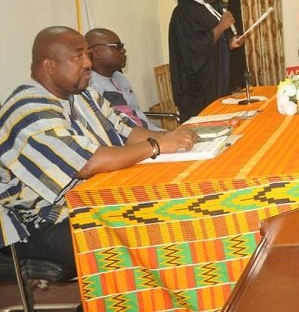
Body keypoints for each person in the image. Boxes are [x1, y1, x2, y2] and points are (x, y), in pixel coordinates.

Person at [0, 27, 197, 276]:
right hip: (40, 222)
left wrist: (173, 139)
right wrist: (156, 146)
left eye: (88, 56)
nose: (88, 64)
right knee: (141, 235)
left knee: (170, 206)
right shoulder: (28, 110)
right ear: (49, 64)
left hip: (91, 199)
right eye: (78, 56)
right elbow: (86, 165)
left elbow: (125, 131)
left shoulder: (83, 95)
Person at [169, 0, 242, 122]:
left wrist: (228, 43)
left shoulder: (203, 8)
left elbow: (209, 41)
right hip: (198, 90)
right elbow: (195, 48)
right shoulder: (184, 11)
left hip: (214, 83)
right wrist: (222, 26)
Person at [85, 28, 162, 130]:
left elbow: (136, 116)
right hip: (135, 141)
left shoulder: (120, 77)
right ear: (97, 52)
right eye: (118, 46)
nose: (123, 51)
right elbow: (121, 131)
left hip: (149, 133)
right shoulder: (92, 87)